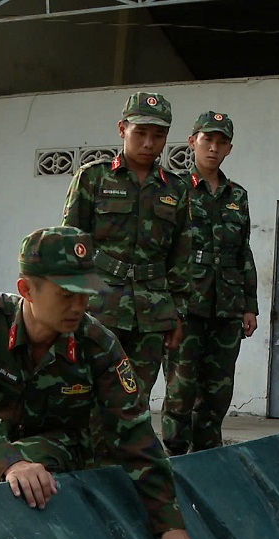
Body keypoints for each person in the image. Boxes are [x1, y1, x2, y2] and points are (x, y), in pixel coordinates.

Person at [0, 226, 211, 539]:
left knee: (26, 486)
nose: (79, 306)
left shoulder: (97, 345)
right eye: (66, 295)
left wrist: (168, 522)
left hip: (60, 448)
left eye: (85, 294)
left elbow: (136, 435)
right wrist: (10, 462)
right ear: (27, 289)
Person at [60, 91, 192, 400]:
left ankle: (126, 451)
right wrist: (68, 306)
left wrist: (177, 314)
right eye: (140, 133)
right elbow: (70, 247)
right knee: (87, 392)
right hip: (99, 308)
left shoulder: (176, 189)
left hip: (153, 313)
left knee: (135, 400)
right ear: (122, 129)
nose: (149, 143)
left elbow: (181, 257)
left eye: (158, 135)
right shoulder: (93, 178)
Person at [161, 112, 258, 455]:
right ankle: (174, 456)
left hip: (227, 308)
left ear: (229, 148)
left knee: (217, 393)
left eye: (221, 143)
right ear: (192, 142)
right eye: (207, 140)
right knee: (180, 390)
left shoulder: (238, 196)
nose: (213, 148)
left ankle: (208, 457)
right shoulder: (172, 190)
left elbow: (242, 251)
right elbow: (163, 249)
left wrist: (249, 305)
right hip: (186, 307)